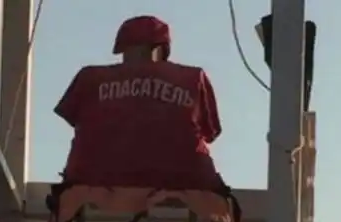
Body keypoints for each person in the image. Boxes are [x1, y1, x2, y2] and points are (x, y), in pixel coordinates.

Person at [53, 15, 224, 192]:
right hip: (185, 184)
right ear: (161, 48)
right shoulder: (193, 78)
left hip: (92, 183)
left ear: (121, 47)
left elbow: (73, 118)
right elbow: (210, 132)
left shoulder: (89, 77)